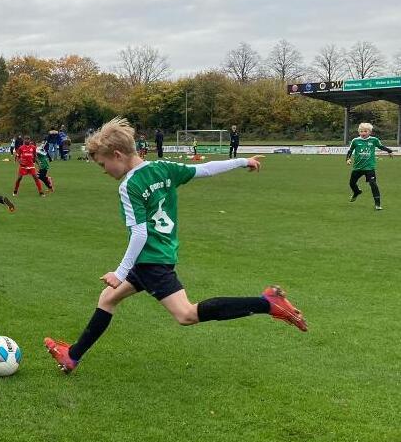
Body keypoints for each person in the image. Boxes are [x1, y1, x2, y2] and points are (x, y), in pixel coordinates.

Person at [43, 117, 306, 375]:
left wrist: (120, 272)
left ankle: (267, 303)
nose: (104, 170)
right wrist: (241, 161)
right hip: (159, 254)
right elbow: (205, 169)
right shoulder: (163, 168)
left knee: (186, 314)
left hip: (151, 261)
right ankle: (72, 356)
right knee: (108, 298)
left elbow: (139, 233)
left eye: (103, 164)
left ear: (117, 155)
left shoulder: (129, 185)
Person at [346, 122, 394, 210]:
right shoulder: (355, 141)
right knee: (352, 183)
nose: (363, 133)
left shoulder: (374, 140)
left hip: (369, 168)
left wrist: (389, 151)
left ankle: (377, 204)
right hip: (357, 167)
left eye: (365, 131)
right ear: (359, 132)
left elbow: (381, 146)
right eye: (361, 131)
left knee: (373, 184)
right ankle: (357, 192)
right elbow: (350, 150)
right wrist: (348, 159)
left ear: (370, 132)